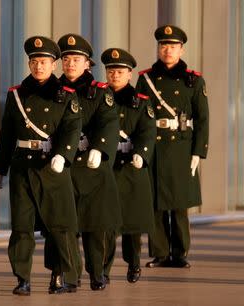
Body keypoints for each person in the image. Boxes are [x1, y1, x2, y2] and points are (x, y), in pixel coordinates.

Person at [0, 36, 81, 295]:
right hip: (23, 167)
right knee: (21, 227)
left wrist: (63, 156)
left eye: (43, 61)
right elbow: (7, 134)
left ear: (54, 65)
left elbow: (72, 130)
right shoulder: (16, 95)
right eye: (34, 61)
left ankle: (58, 275)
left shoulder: (66, 96)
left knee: (58, 227)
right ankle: (23, 278)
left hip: (52, 168)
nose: (38, 66)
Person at [136, 25, 209, 268]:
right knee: (155, 201)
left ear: (181, 49)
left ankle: (179, 253)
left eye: (173, 46)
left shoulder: (193, 80)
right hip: (154, 145)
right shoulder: (145, 79)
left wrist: (199, 151)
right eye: (163, 45)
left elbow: (202, 118)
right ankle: (159, 253)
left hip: (181, 146)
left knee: (179, 203)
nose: (167, 50)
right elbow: (137, 115)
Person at [52, 33, 121, 291]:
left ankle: (98, 271)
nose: (70, 63)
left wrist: (100, 149)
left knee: (96, 224)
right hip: (62, 166)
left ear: (87, 64)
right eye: (67, 58)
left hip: (91, 165)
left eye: (76, 59)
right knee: (61, 224)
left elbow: (110, 123)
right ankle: (63, 273)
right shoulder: (53, 91)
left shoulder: (100, 92)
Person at [101, 48, 156, 283]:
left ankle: (134, 264)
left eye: (120, 71)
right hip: (107, 167)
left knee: (132, 224)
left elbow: (148, 131)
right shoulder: (98, 98)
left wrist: (141, 154)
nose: (115, 75)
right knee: (106, 223)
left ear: (130, 74)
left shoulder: (140, 101)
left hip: (131, 168)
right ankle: (102, 269)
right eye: (111, 71)